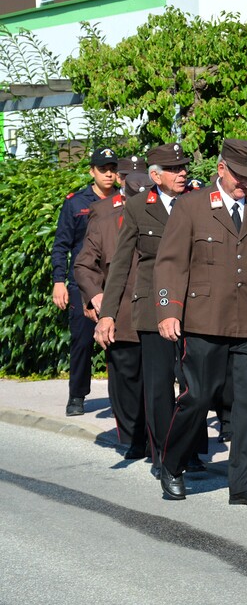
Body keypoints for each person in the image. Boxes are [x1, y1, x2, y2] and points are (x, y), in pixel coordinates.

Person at [153, 139, 247, 505]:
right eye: (240, 176)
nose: (246, 183)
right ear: (221, 169)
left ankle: (245, 484)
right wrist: (168, 310)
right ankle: (172, 463)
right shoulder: (192, 206)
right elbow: (170, 263)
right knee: (198, 397)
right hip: (204, 320)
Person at [96, 144, 206, 478]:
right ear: (156, 176)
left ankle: (190, 450)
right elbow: (120, 264)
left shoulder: (198, 202)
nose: (182, 173)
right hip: (151, 308)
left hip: (194, 306)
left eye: (184, 167)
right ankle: (162, 453)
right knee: (158, 386)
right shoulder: (137, 207)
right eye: (173, 169)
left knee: (194, 385)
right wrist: (108, 314)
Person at [74, 172, 153, 458]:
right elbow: (84, 265)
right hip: (122, 316)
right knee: (127, 381)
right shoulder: (105, 222)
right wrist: (95, 296)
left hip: (158, 315)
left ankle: (159, 440)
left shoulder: (168, 217)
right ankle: (134, 437)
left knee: (157, 381)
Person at [52, 147, 119, 416]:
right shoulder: (76, 203)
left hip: (114, 282)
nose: (108, 174)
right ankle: (77, 396)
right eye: (103, 169)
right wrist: (58, 281)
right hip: (82, 284)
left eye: (112, 169)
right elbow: (61, 245)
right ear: (92, 171)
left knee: (118, 343)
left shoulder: (125, 200)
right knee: (81, 342)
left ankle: (120, 398)